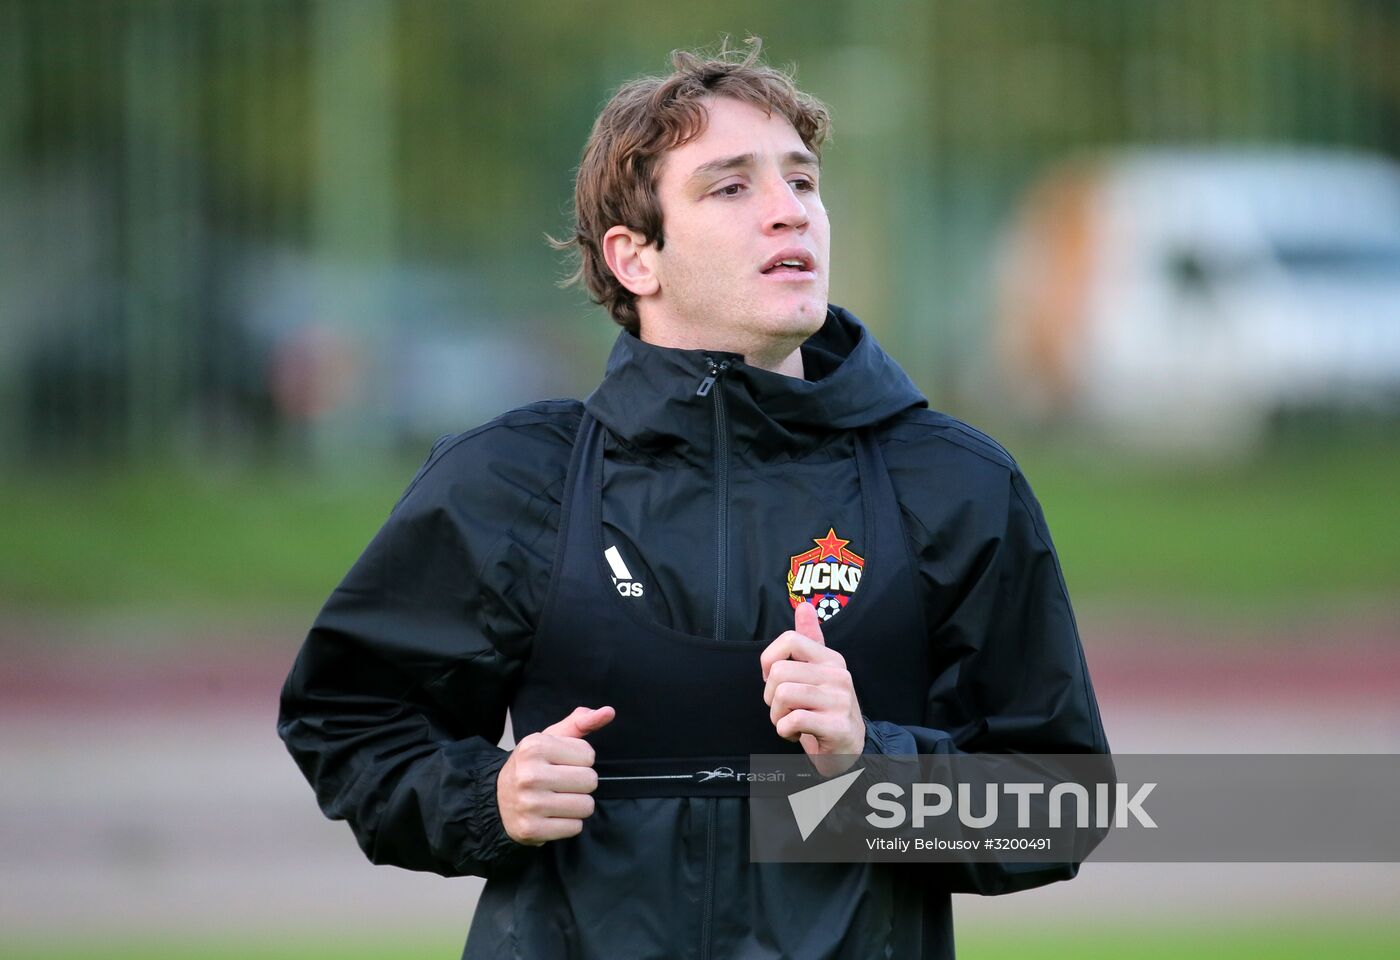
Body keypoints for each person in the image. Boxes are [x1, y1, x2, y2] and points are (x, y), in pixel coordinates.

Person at [278, 37, 1110, 959]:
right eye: (732, 187)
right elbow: (349, 724)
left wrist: (869, 769)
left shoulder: (952, 481)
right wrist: (489, 799)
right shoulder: (512, 479)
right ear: (637, 258)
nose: (789, 213)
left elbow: (1062, 804)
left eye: (802, 182)